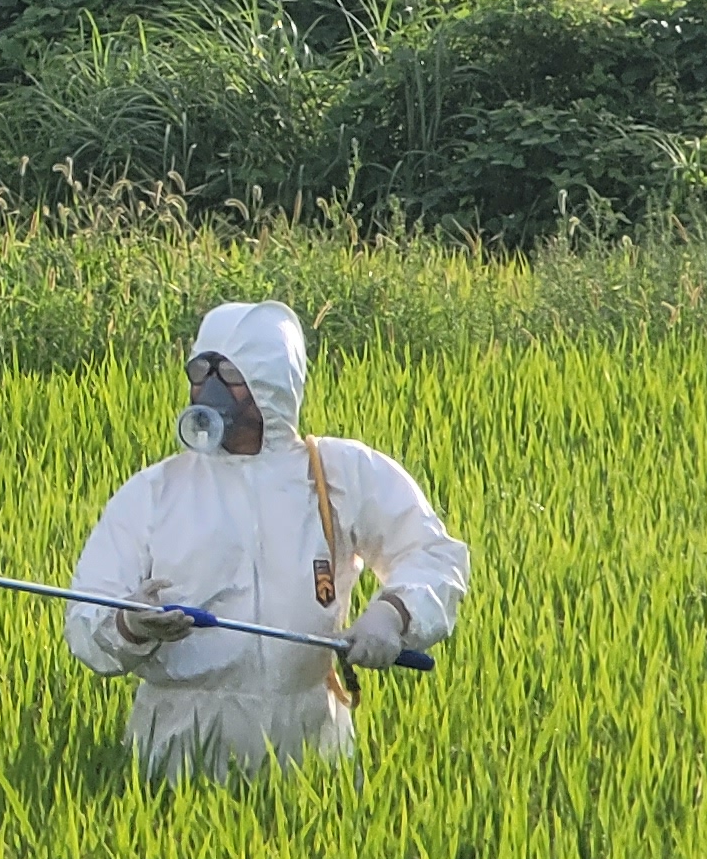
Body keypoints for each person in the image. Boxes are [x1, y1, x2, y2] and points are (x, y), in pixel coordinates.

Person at [66, 300, 470, 780]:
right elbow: (85, 616)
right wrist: (131, 623)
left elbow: (431, 554)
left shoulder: (339, 473)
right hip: (176, 747)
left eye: (231, 376)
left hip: (310, 746)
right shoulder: (155, 492)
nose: (209, 390)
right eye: (201, 370)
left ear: (274, 382)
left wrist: (394, 614)